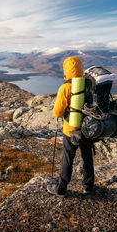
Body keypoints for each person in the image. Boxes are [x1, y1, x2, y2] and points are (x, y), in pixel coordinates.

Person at [47, 56, 94, 196]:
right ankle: (89, 187)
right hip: (88, 128)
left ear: (66, 69)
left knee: (68, 158)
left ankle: (61, 188)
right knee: (87, 157)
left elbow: (57, 112)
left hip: (71, 130)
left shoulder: (65, 87)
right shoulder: (88, 84)